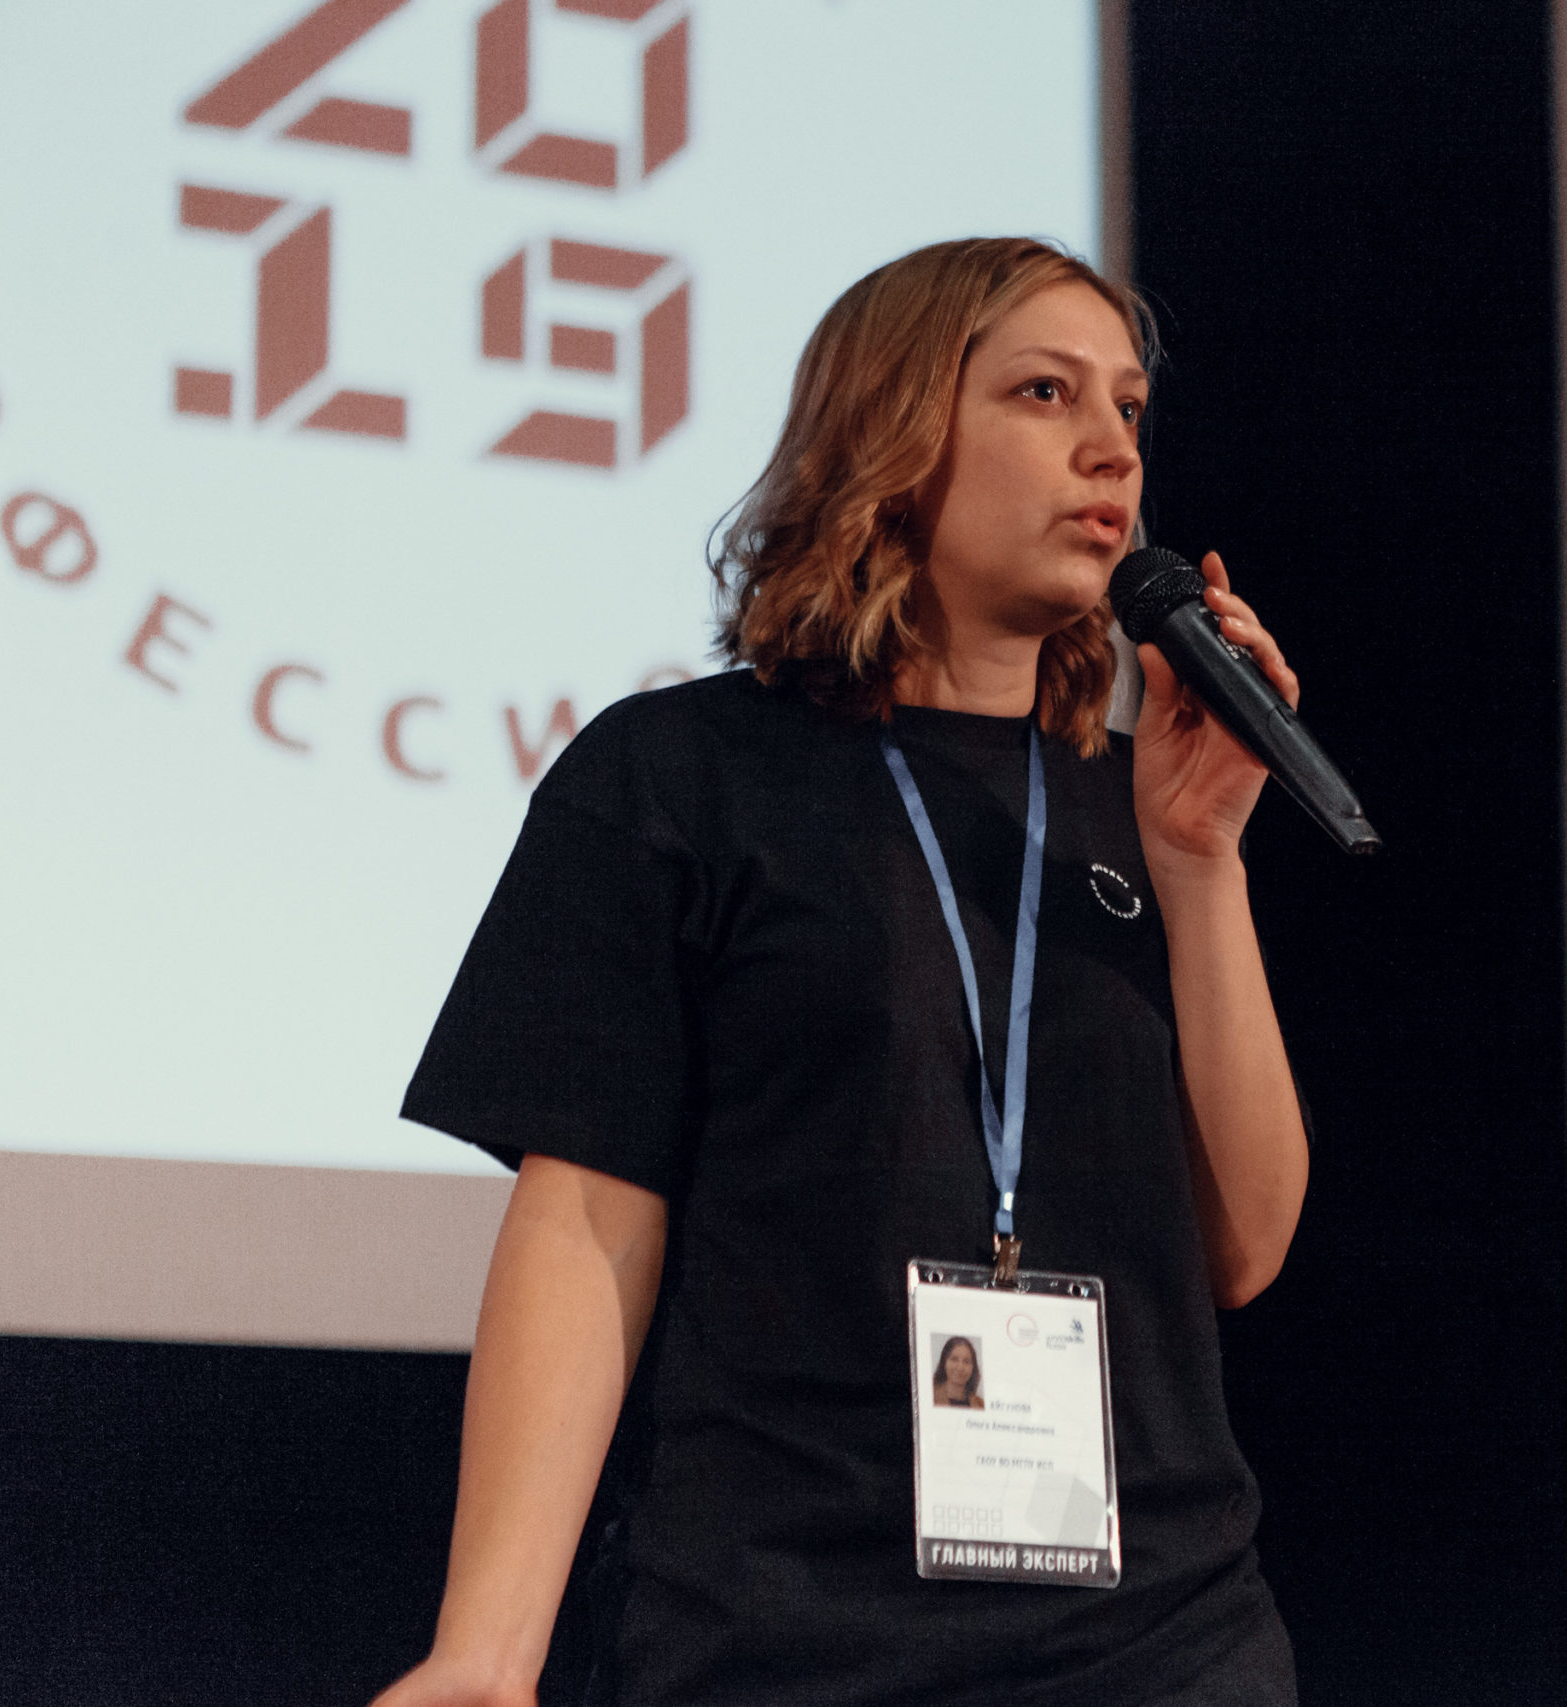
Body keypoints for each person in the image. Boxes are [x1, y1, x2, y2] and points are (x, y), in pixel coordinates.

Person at [374, 237, 1310, 1706]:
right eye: (1045, 392)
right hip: (788, 1629)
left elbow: (1243, 1244)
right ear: (893, 435)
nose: (1110, 447)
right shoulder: (680, 776)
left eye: (1128, 407)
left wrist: (1201, 863)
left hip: (1160, 1643)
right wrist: (488, 1652)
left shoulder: (1151, 808)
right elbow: (587, 1218)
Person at [931, 1336, 985, 1409]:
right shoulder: (930, 1398)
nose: (960, 1368)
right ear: (944, 1362)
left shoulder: (981, 1405)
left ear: (973, 1368)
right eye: (954, 1359)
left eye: (966, 1361)